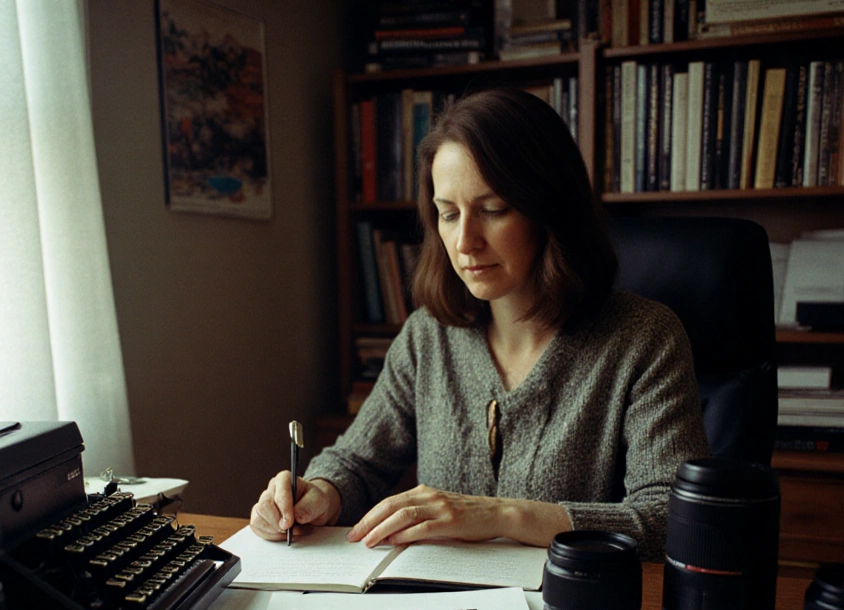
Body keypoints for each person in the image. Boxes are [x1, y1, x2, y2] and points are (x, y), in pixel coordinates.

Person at [249, 87, 709, 560]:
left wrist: (501, 515)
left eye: (492, 210)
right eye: (448, 214)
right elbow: (359, 461)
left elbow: (673, 520)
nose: (464, 241)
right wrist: (318, 492)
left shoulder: (644, 338)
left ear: (549, 211)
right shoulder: (428, 336)